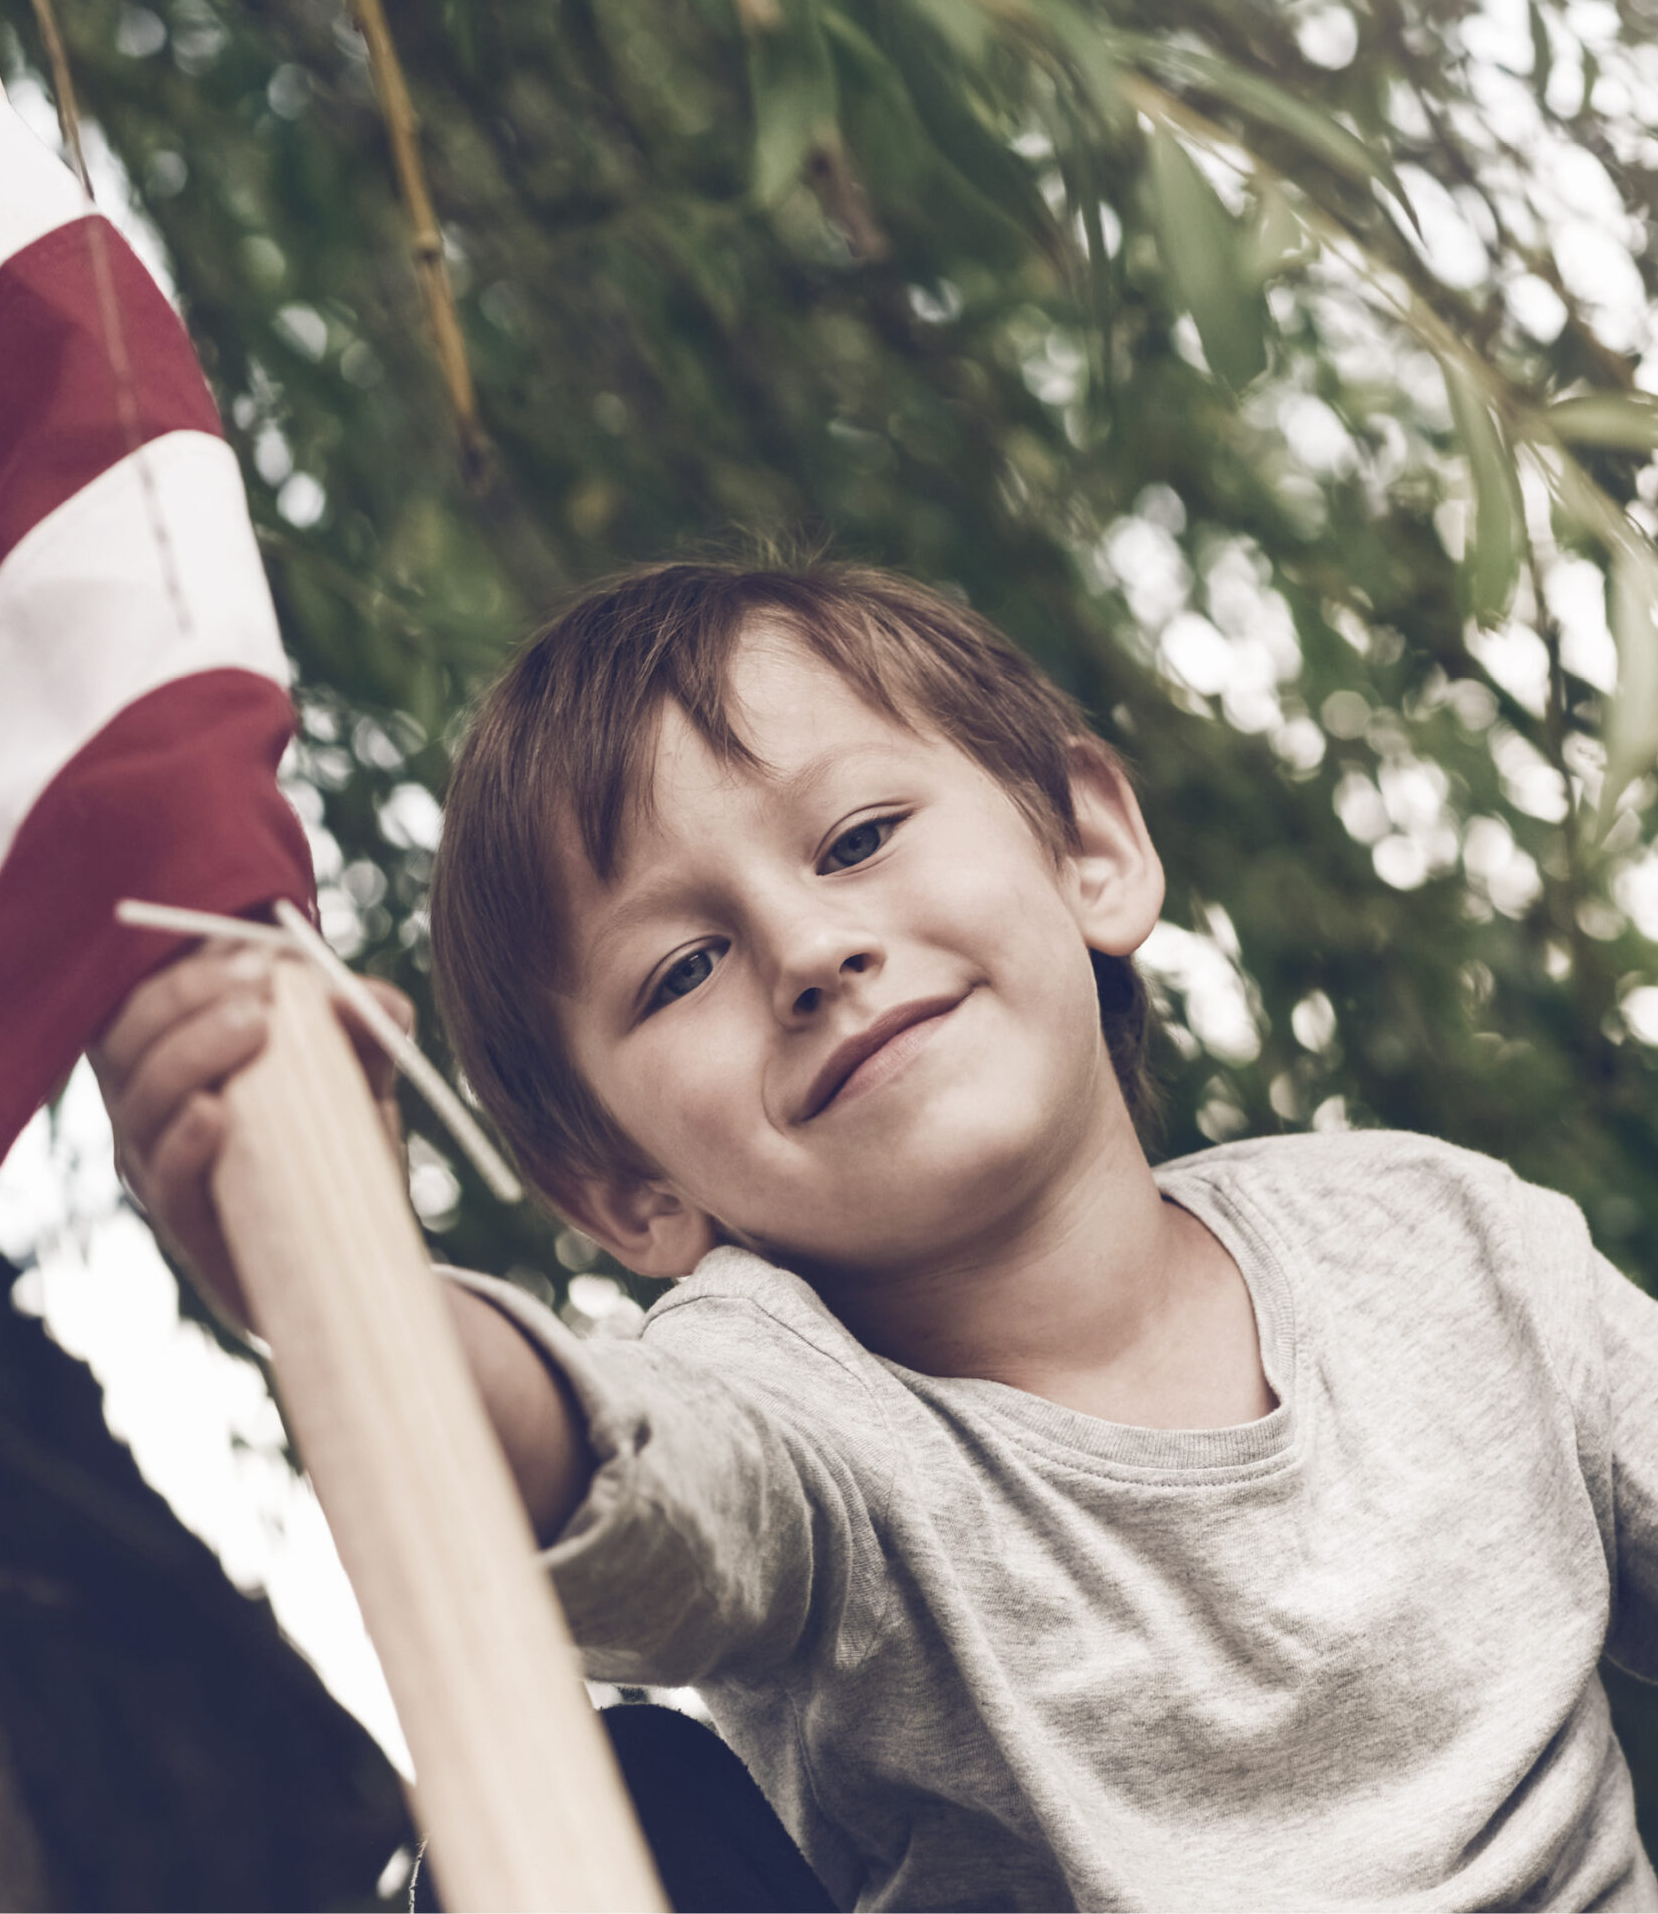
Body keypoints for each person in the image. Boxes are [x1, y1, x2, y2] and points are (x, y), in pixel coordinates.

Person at [93, 559, 1658, 1910]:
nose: (809, 948)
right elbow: (614, 1479)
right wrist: (344, 1283)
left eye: (854, 841)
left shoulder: (1431, 1237)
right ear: (628, 1190)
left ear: (1089, 850)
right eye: (682, 967)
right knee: (598, 1801)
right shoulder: (795, 1413)